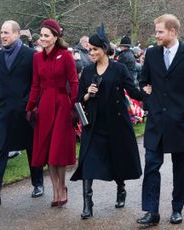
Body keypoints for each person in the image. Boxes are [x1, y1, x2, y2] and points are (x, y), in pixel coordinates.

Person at [136, 14, 184, 226]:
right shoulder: (151, 54)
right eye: (156, 31)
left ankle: (177, 209)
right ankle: (151, 211)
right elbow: (143, 80)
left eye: (160, 31)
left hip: (179, 122)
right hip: (156, 121)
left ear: (172, 31)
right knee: (151, 165)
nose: (156, 35)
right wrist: (149, 102)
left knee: (179, 167)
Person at [70, 28, 142, 219]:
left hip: (116, 123)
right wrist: (88, 94)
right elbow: (78, 100)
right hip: (93, 124)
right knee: (87, 161)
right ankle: (87, 203)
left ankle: (121, 188)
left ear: (104, 49)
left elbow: (133, 92)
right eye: (89, 49)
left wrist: (149, 92)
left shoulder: (119, 69)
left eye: (94, 49)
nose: (91, 52)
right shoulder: (87, 71)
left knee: (117, 159)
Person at [0, 20, 44, 208]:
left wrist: (31, 102)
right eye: (1, 32)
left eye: (6, 32)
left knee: (32, 148)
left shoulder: (30, 55)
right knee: (0, 149)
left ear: (16, 34)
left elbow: (37, 82)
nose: (2, 36)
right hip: (5, 110)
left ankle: (38, 183)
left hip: (27, 110)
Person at [26, 19, 78, 207]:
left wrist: (73, 106)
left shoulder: (65, 56)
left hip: (62, 105)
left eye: (47, 36)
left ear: (56, 37)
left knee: (58, 149)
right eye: (41, 36)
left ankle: (62, 187)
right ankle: (55, 189)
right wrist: (30, 107)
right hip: (45, 105)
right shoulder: (36, 58)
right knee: (48, 150)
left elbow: (74, 82)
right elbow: (35, 84)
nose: (43, 39)